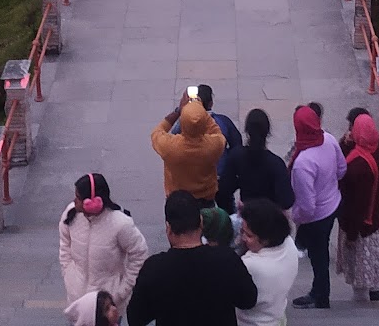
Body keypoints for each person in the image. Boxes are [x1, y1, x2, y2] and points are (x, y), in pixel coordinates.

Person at [127, 192, 258, 326]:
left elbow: (135, 318)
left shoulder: (154, 268)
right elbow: (248, 300)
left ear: (169, 228)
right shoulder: (227, 259)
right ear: (201, 222)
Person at [60, 173, 149, 315]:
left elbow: (139, 254)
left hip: (107, 307)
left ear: (91, 202)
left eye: (78, 197)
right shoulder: (70, 215)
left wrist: (121, 292)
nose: (74, 201)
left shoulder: (121, 224)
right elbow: (65, 244)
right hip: (77, 301)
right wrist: (68, 274)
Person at [288, 105, 344, 310]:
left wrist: (296, 217)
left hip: (316, 216)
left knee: (318, 256)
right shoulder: (329, 139)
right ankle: (319, 292)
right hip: (332, 204)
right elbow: (342, 169)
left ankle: (321, 296)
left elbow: (307, 206)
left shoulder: (303, 163)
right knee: (320, 252)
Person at [334, 112, 379, 303]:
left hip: (358, 224)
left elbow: (355, 204)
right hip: (375, 218)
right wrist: (348, 143)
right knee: (372, 261)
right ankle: (376, 291)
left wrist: (351, 234)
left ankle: (359, 298)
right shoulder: (378, 148)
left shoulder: (357, 166)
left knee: (358, 263)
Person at [152, 92, 227, 201]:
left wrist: (178, 111)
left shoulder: (170, 146)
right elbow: (216, 131)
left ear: (182, 122)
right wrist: (200, 112)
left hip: (177, 200)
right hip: (206, 198)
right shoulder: (214, 146)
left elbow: (157, 131)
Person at [237, 198, 299, 326]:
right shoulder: (289, 246)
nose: (243, 238)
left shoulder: (250, 265)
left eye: (249, 235)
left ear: (266, 239)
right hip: (277, 319)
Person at [219, 108, 293, 212]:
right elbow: (287, 201)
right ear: (267, 132)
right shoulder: (276, 163)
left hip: (247, 216)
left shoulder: (236, 156)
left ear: (247, 131)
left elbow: (224, 189)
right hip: (269, 219)